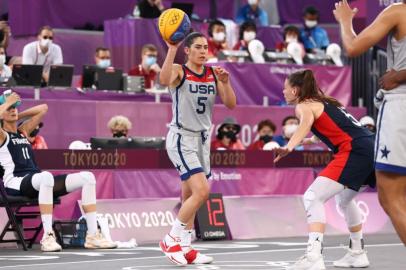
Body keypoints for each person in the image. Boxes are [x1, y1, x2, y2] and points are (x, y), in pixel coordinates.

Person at [274, 69, 375, 269]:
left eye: (285, 88)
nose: (283, 92)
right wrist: (310, 141)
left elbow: (304, 124)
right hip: (370, 146)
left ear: (295, 90)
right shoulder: (324, 101)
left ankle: (313, 257)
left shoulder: (303, 105)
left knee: (312, 197)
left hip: (354, 150)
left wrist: (290, 146)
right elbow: (329, 129)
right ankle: (357, 253)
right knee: (344, 200)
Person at [0, 92, 116, 252]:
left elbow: (43, 108)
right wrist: (5, 105)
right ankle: (48, 236)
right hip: (16, 182)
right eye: (10, 109)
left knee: (88, 177)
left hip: (36, 181)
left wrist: (17, 112)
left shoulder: (23, 130)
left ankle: (93, 235)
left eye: (15, 108)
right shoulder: (2, 135)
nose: (13, 110)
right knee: (46, 177)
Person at [158, 32, 236, 265]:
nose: (203, 51)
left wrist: (226, 82)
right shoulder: (180, 71)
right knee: (202, 191)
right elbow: (163, 80)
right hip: (182, 138)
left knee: (189, 195)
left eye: (206, 47)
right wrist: (171, 48)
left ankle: (185, 246)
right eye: (198, 47)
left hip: (202, 140)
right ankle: (171, 238)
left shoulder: (213, 73)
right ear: (187, 50)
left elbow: (231, 104)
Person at [334, 0, 406, 245]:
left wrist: (345, 20)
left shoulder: (398, 11)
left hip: (401, 105)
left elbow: (353, 47)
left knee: (391, 195)